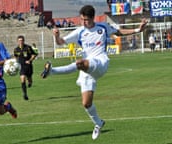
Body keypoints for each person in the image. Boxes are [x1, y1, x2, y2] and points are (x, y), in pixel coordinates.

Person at [41, 5, 148, 140]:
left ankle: (52, 71)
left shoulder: (102, 27)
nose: (83, 22)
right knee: (86, 103)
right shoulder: (79, 31)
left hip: (100, 62)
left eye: (86, 20)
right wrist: (56, 36)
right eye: (81, 19)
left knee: (80, 63)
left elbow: (119, 31)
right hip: (87, 70)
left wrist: (138, 29)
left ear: (92, 18)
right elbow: (61, 42)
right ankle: (98, 123)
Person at [14, 35, 37, 100]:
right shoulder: (16, 49)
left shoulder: (28, 47)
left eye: (22, 40)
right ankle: (25, 94)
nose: (21, 42)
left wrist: (30, 60)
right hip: (21, 66)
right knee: (23, 78)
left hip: (28, 66)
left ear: (24, 41)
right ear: (17, 41)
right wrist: (15, 62)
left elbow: (34, 55)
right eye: (19, 40)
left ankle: (30, 83)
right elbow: (15, 56)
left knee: (29, 79)